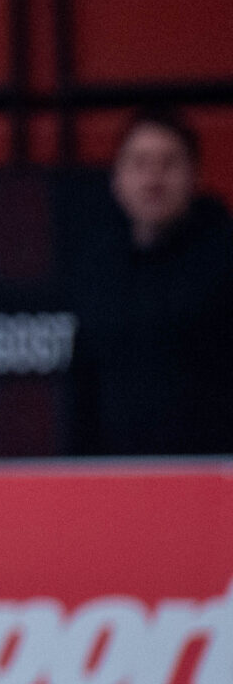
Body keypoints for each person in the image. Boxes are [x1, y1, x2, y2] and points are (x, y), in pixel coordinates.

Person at [69, 108, 233, 456]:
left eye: (168, 163)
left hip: (211, 470)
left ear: (195, 174)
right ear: (117, 179)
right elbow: (83, 385)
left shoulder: (224, 260)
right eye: (140, 163)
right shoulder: (98, 269)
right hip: (117, 473)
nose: (153, 179)